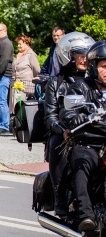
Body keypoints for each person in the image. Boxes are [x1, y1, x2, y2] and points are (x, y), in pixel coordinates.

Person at [43, 32, 94, 217]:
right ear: (68, 56)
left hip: (92, 130)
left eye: (87, 55)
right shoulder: (56, 83)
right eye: (80, 55)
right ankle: (60, 197)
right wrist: (62, 129)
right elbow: (50, 116)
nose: (84, 59)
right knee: (57, 144)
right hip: (66, 132)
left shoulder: (94, 82)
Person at [61, 40, 106, 232]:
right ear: (94, 67)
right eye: (104, 66)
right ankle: (86, 215)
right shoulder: (81, 87)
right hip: (90, 142)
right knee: (82, 164)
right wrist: (75, 116)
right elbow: (67, 111)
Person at [9, 34, 40, 113]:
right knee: (14, 110)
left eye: (20, 44)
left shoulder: (31, 55)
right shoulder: (18, 55)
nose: (18, 46)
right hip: (15, 86)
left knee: (22, 110)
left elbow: (37, 71)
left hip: (26, 88)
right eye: (18, 44)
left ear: (27, 43)